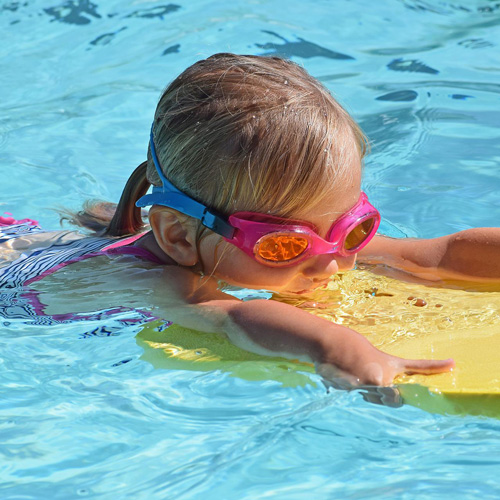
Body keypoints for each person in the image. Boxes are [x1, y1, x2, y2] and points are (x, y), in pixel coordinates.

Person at [1, 53, 499, 387]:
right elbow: (230, 316)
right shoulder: (159, 280)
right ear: (176, 235)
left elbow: (437, 255)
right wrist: (341, 349)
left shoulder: (316, 247)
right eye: (284, 247)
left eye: (354, 228)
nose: (331, 264)